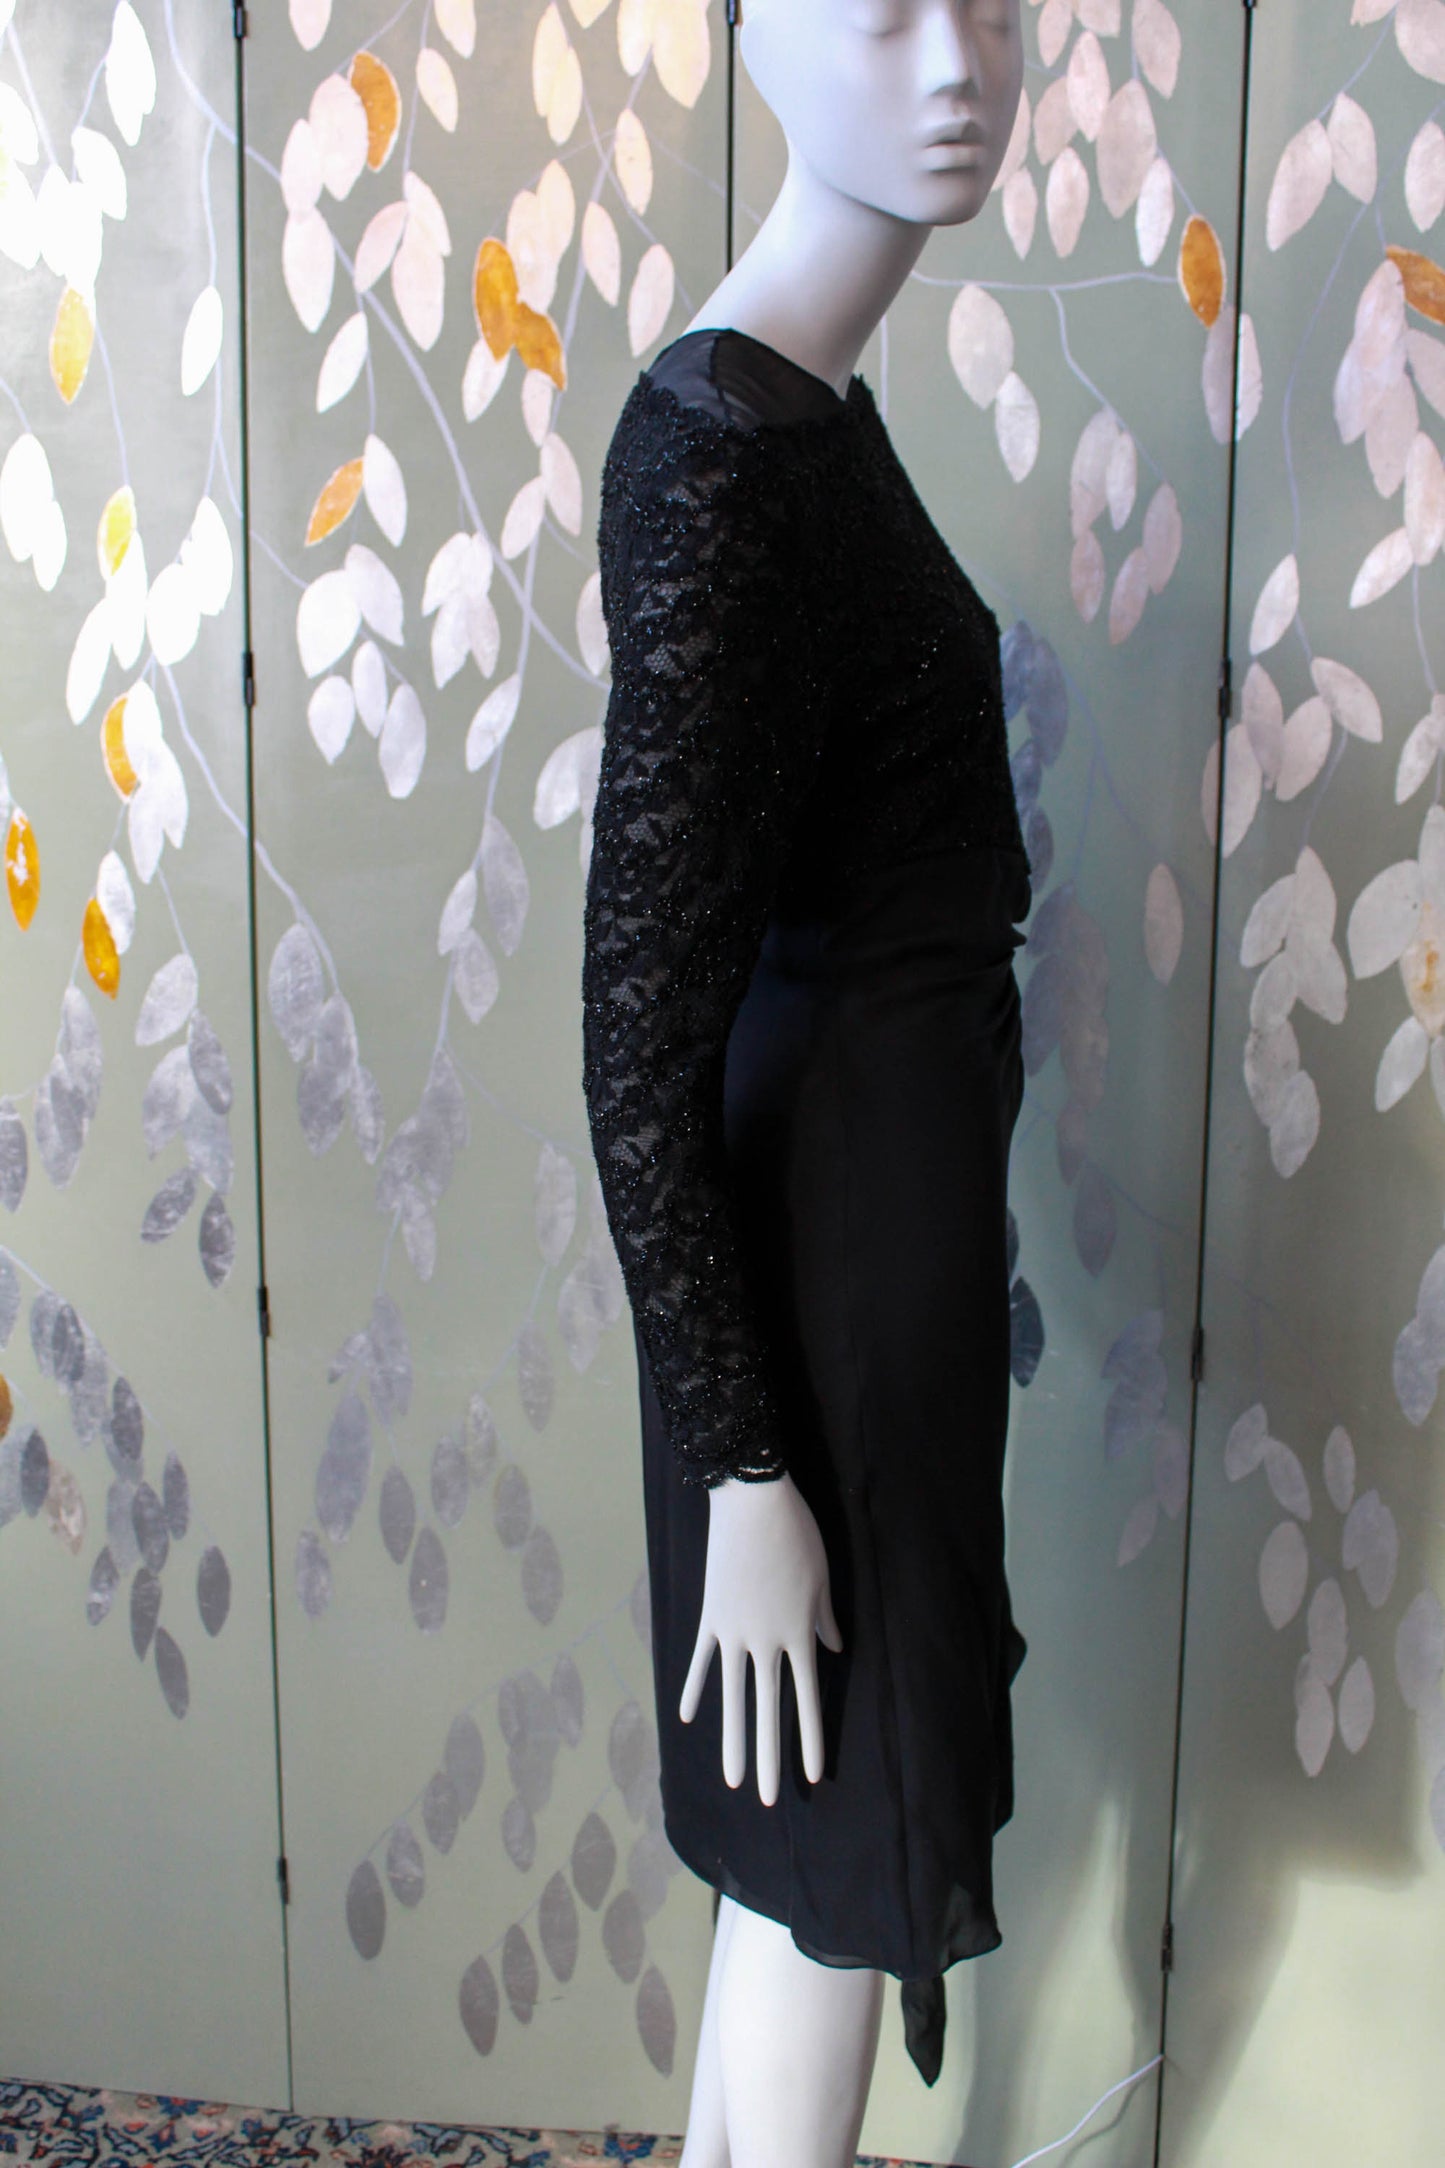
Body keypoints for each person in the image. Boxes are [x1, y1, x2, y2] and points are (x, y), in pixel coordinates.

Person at [581, 4, 1030, 2162]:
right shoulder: (726, 460)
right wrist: (748, 1467)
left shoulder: (811, 409)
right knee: (828, 1877)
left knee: (803, 1863)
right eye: (884, 10)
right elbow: (631, 1039)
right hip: (817, 1317)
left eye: (992, 3)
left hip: (869, 1271)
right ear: (757, 35)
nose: (959, 65)